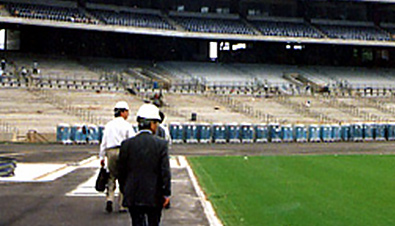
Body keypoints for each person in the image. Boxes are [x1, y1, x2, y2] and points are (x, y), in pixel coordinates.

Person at [118, 103, 171, 226]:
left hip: (133, 194)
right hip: (154, 195)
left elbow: (121, 171)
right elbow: (165, 171)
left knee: (136, 222)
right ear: (152, 124)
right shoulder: (161, 144)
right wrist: (166, 193)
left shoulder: (126, 144)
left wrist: (124, 189)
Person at [99, 101, 136, 213]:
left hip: (110, 151)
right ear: (123, 112)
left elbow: (104, 142)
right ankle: (122, 204)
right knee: (123, 177)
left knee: (111, 176)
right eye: (127, 111)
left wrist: (102, 156)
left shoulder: (109, 125)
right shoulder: (127, 125)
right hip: (122, 150)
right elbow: (132, 140)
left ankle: (109, 198)